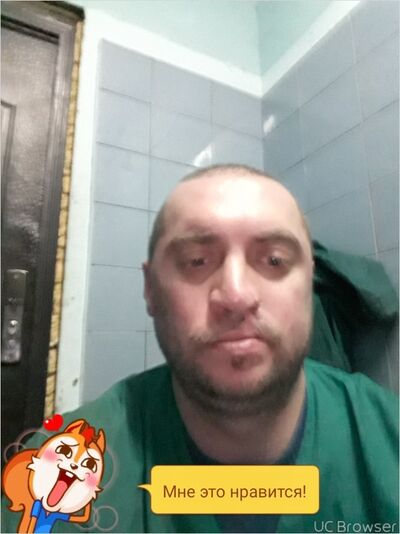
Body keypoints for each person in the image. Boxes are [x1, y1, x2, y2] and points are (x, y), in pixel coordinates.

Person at [2, 164, 399, 533]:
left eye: (275, 260)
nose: (236, 295)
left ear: (309, 280)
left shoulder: (388, 435)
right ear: (150, 289)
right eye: (196, 261)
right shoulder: (58, 470)